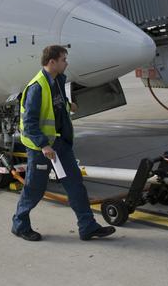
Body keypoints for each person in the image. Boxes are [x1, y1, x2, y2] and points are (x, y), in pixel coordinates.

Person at [11, 45, 116, 242]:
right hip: (42, 149)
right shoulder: (36, 87)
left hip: (61, 144)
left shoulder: (57, 80)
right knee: (34, 189)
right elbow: (30, 123)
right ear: (52, 62)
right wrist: (44, 145)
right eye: (63, 60)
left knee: (75, 185)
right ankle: (19, 224)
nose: (66, 63)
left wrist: (69, 105)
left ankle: (88, 227)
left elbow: (56, 104)